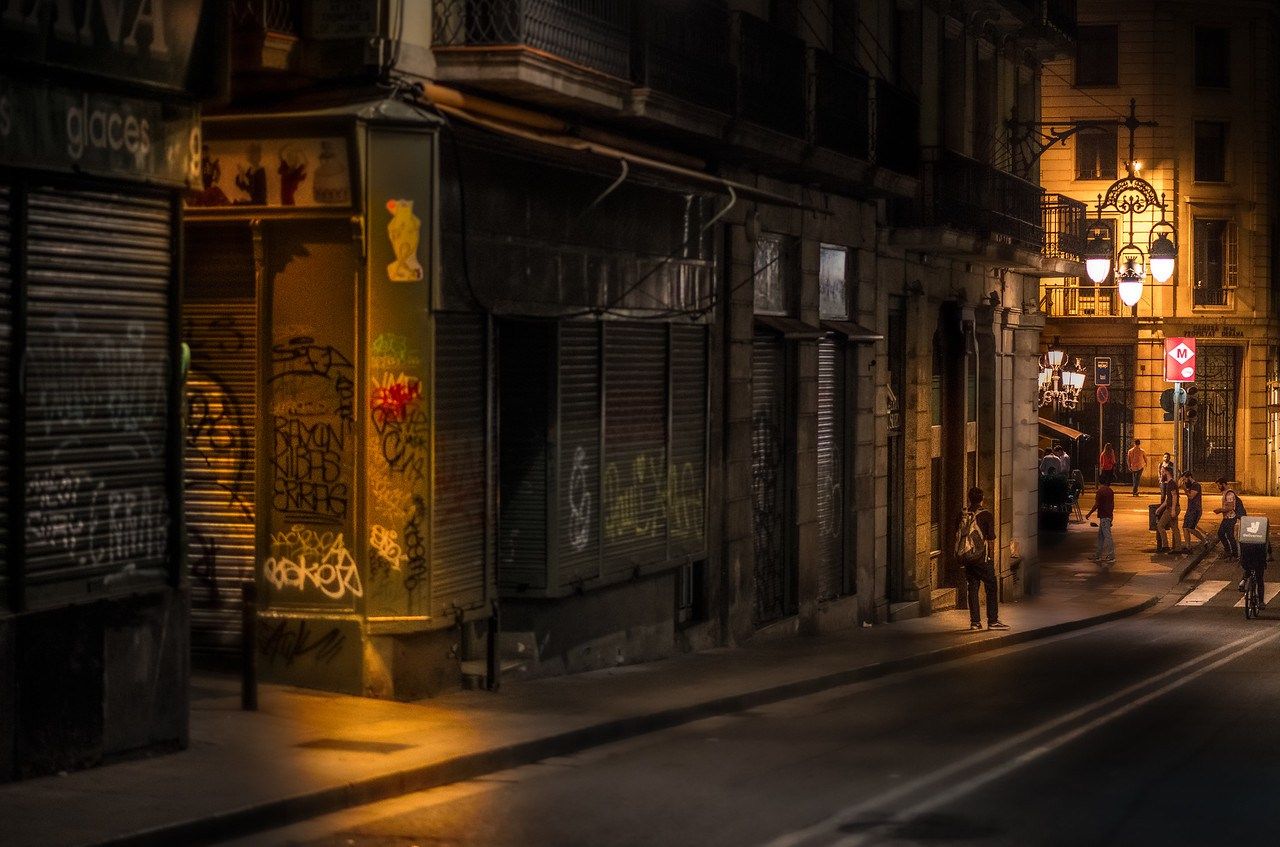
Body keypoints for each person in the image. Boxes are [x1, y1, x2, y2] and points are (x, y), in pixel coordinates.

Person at [958, 487, 1008, 631]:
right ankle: (993, 621)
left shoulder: (962, 515)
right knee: (991, 586)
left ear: (969, 498)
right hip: (981, 558)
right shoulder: (986, 515)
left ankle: (975, 622)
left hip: (967, 557)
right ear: (982, 499)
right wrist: (991, 557)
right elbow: (991, 539)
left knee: (972, 588)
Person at [1237, 518, 1270, 610]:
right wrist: (1269, 556)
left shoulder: (1245, 534)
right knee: (1259, 580)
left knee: (1248, 568)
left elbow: (1239, 544)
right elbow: (1267, 547)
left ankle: (1243, 580)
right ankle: (1261, 602)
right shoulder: (1262, 535)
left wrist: (1240, 557)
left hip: (1246, 557)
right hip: (1259, 559)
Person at [1086, 473, 1116, 568]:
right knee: (1101, 537)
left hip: (1103, 516)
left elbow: (1097, 505)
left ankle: (1111, 555)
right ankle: (1098, 555)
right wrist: (1111, 516)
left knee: (1107, 536)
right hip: (1108, 516)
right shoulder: (1110, 491)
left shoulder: (1100, 491)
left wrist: (1089, 513)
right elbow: (1112, 505)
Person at [1154, 467, 1181, 554]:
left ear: (1167, 473)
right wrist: (1160, 508)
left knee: (1160, 525)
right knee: (1174, 528)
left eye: (1163, 472)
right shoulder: (1169, 483)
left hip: (1171, 509)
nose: (1161, 474)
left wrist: (1173, 510)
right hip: (1173, 508)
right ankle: (1178, 548)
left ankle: (1165, 546)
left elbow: (1174, 496)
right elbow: (1167, 499)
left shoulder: (1171, 483)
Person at [1213, 477, 1239, 560]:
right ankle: (1228, 551)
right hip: (1226, 518)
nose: (1218, 487)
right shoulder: (1225, 493)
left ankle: (1234, 555)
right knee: (1221, 533)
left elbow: (1230, 507)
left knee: (1230, 536)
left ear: (1223, 484)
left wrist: (1220, 510)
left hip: (1230, 518)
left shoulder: (1229, 494)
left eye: (1219, 485)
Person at [1180, 471, 1206, 552]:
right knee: (1185, 527)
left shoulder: (1196, 485)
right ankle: (1188, 546)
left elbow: (1191, 496)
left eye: (1185, 479)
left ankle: (1204, 540)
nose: (1184, 482)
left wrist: (1184, 488)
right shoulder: (1191, 486)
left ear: (1189, 477)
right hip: (1190, 509)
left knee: (1191, 528)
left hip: (1195, 510)